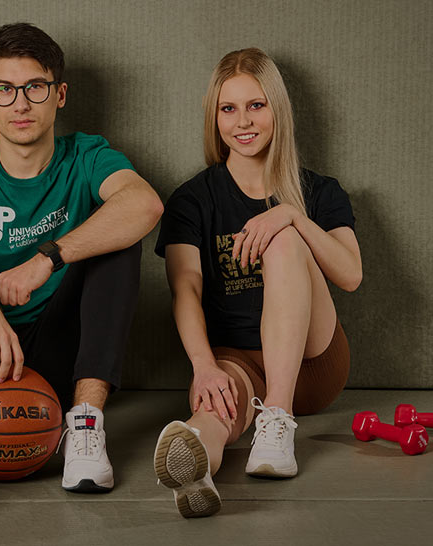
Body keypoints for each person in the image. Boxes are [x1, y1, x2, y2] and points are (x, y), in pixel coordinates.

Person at [0, 22, 163, 524]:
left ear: (59, 94)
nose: (20, 103)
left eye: (35, 87)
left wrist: (47, 258)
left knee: (118, 246)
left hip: (56, 351)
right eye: (4, 89)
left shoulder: (87, 155)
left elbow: (144, 204)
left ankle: (85, 428)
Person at [153, 48, 361, 518]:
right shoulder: (192, 200)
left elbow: (350, 275)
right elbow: (186, 288)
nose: (242, 121)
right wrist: (204, 366)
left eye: (256, 105)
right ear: (214, 117)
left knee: (282, 239)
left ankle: (277, 420)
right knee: (212, 412)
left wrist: (292, 217)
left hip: (314, 363)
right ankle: (196, 462)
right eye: (228, 108)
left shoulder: (319, 191)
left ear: (277, 109)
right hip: (238, 360)